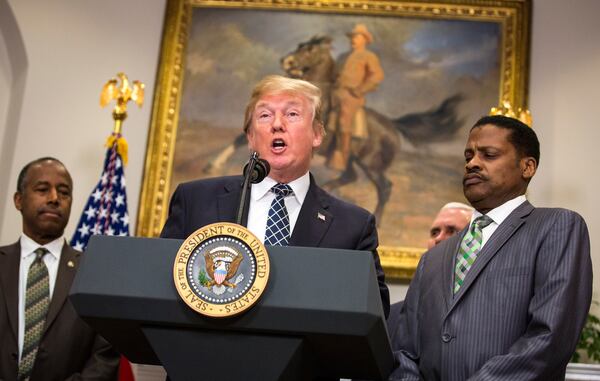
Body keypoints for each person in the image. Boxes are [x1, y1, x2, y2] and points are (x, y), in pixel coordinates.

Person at [160, 75, 390, 317]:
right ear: (250, 137)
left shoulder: (353, 226)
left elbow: (374, 315)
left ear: (317, 135)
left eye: (292, 114)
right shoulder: (195, 201)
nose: (277, 124)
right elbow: (161, 288)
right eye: (265, 115)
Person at [389, 115, 592, 380]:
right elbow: (405, 350)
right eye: (468, 155)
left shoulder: (556, 226)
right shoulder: (433, 258)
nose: (472, 163)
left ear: (527, 167)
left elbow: (550, 336)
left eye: (489, 154)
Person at [0, 157, 119, 380]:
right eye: (42, 189)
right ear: (18, 200)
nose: (55, 198)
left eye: (64, 192)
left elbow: (105, 356)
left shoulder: (95, 272)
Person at [388, 202, 473, 347]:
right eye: (434, 232)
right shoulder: (392, 315)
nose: (438, 238)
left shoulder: (487, 310)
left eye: (452, 230)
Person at [327, 23, 384, 171]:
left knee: (343, 120)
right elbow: (333, 75)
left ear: (365, 39)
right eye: (352, 37)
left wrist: (360, 89)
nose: (353, 39)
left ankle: (342, 158)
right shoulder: (342, 56)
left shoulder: (368, 56)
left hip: (351, 96)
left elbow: (377, 76)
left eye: (357, 37)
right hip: (336, 93)